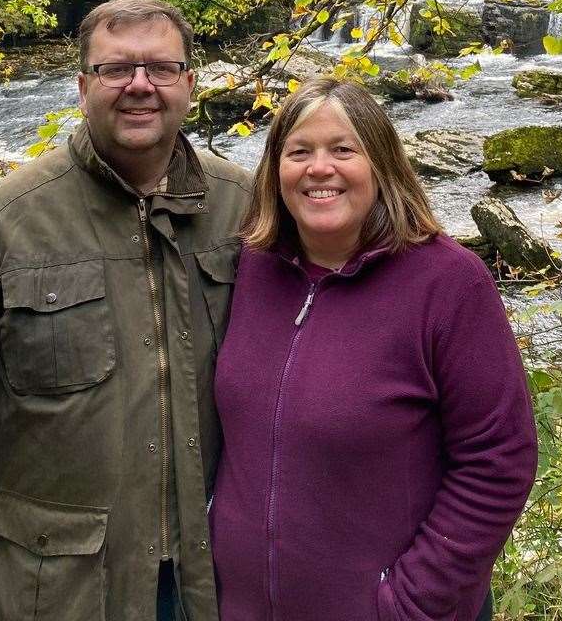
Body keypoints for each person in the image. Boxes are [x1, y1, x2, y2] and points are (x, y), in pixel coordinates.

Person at [0, 0, 251, 621]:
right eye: (117, 69)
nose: (140, 86)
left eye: (161, 68)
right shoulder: (5, 225)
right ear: (82, 86)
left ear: (190, 84)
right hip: (55, 595)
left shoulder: (244, 211)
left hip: (212, 584)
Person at [209, 78, 538, 621]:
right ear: (275, 171)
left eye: (343, 149)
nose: (320, 168)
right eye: (299, 152)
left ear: (381, 164)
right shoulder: (249, 269)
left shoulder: (448, 283)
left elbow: (498, 460)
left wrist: (411, 602)